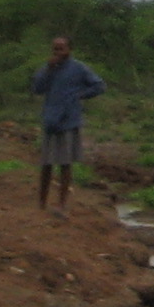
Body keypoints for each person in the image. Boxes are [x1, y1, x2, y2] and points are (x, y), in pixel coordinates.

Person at [30, 35, 106, 215]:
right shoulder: (48, 68)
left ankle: (62, 204)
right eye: (55, 48)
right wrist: (48, 70)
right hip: (51, 120)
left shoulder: (79, 68)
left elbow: (99, 86)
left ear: (69, 49)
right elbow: (37, 88)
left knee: (65, 163)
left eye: (61, 48)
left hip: (68, 121)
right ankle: (41, 203)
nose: (57, 52)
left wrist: (79, 96)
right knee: (46, 164)